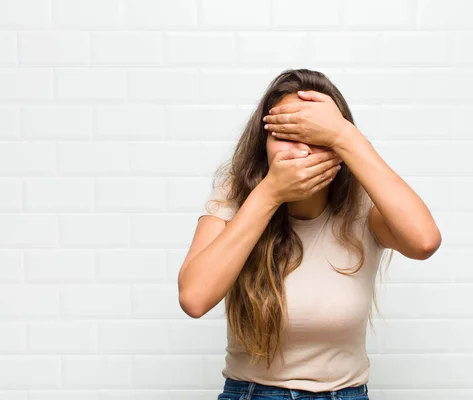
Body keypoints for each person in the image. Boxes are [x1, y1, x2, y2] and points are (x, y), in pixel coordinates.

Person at [178, 68, 442, 400]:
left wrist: (345, 135)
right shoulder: (237, 195)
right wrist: (270, 193)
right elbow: (194, 297)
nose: (300, 152)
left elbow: (424, 241)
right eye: (285, 135)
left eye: (315, 137)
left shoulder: (362, 206)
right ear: (264, 145)